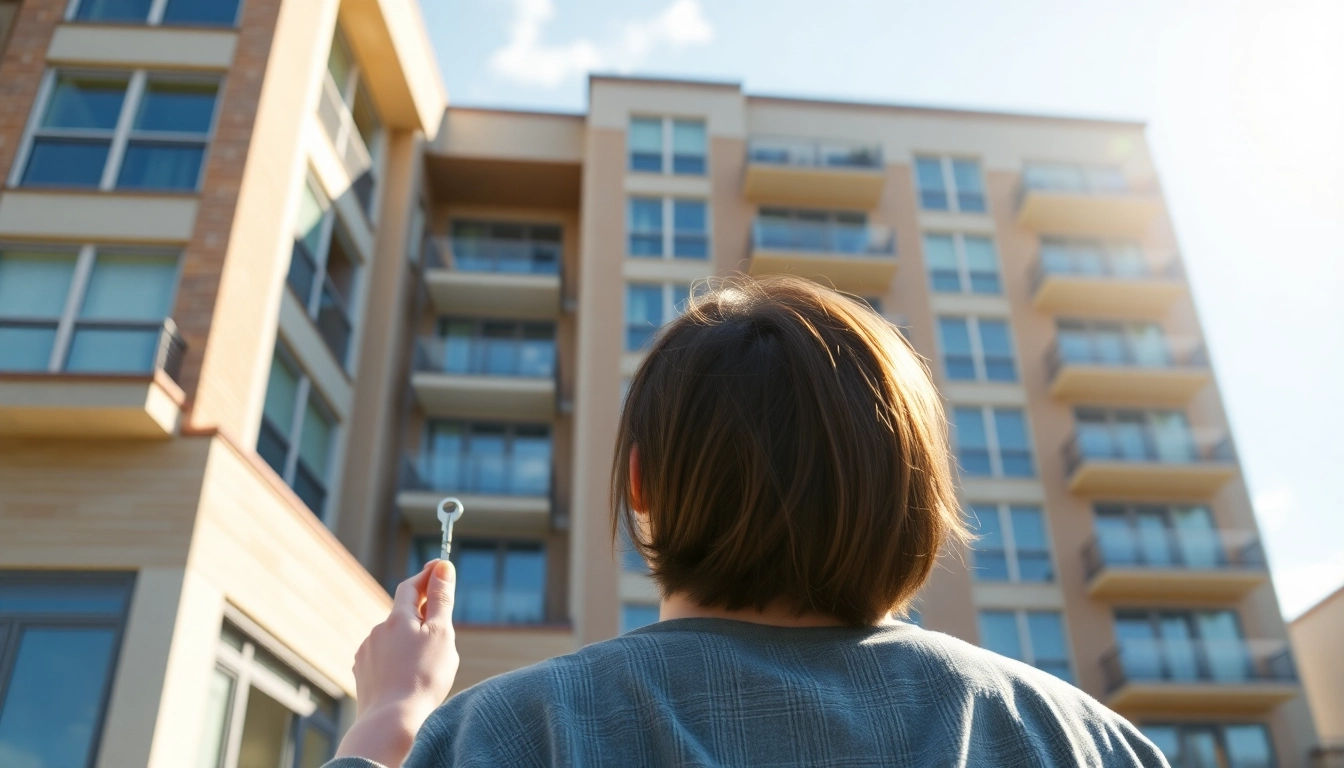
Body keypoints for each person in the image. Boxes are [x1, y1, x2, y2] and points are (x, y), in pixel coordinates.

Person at [325, 275, 1168, 768]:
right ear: (918, 490)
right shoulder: (1083, 741)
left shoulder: (515, 732)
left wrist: (392, 716)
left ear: (639, 482)